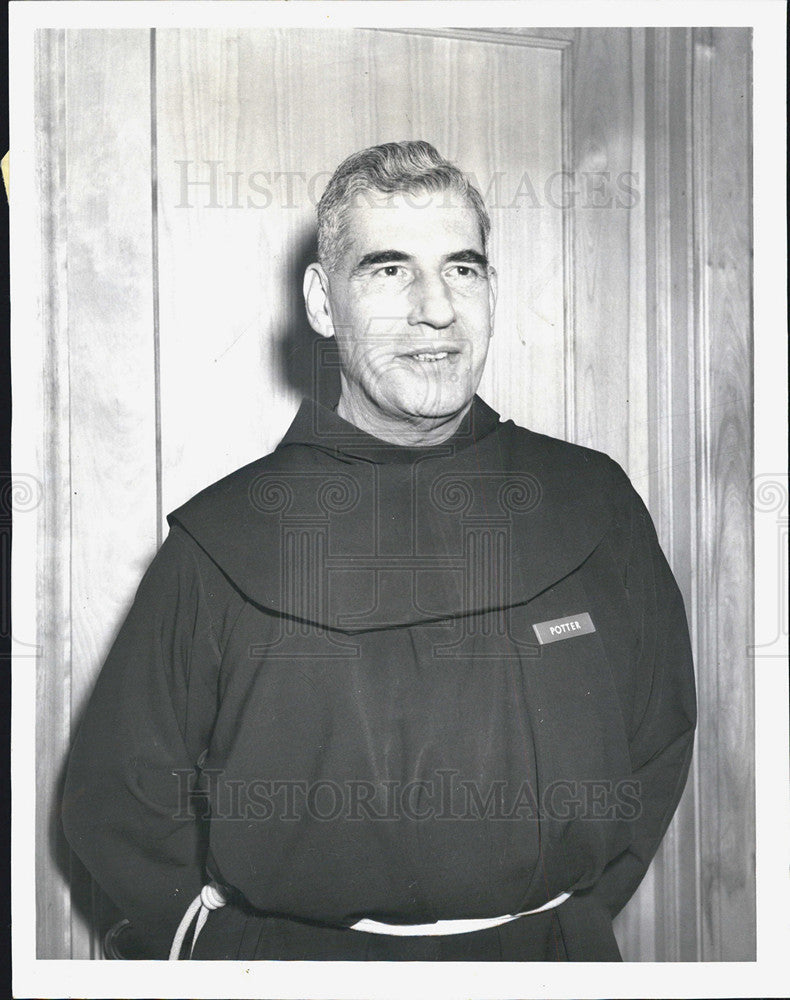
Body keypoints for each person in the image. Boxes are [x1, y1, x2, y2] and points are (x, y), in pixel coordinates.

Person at [62, 140, 696, 962]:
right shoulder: (218, 543)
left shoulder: (594, 500)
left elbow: (659, 737)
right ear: (323, 304)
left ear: (491, 289)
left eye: (463, 269)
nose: (436, 309)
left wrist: (559, 923)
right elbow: (120, 800)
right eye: (389, 270)